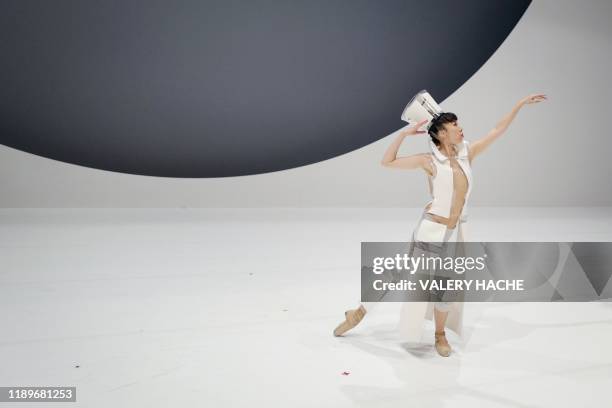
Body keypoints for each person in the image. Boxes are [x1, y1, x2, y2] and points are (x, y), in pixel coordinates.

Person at [333, 93, 547, 356]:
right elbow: (387, 162)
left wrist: (519, 104)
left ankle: (439, 334)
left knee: (448, 286)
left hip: (456, 234)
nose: (460, 128)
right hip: (430, 232)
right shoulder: (429, 161)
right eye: (454, 125)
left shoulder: (467, 153)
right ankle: (358, 313)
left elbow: (497, 129)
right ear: (441, 134)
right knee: (401, 277)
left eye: (458, 124)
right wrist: (403, 134)